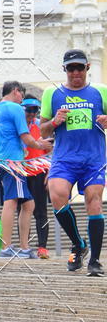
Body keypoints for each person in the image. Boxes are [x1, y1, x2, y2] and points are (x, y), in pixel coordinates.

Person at [40, 49, 107, 276]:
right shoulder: (52, 93)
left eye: (80, 67)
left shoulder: (100, 91)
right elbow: (42, 129)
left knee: (94, 201)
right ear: (64, 70)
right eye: (71, 68)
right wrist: (55, 121)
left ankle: (95, 261)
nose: (75, 72)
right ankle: (78, 244)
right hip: (65, 158)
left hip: (93, 158)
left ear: (87, 67)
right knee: (56, 194)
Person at [0, 80, 51, 258]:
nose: (22, 101)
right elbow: (26, 137)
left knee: (29, 204)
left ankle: (24, 247)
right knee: (11, 201)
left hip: (0, 163)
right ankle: (6, 247)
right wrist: (41, 144)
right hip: (13, 162)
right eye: (21, 95)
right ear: (16, 91)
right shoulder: (15, 109)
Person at [20, 96, 51, 259]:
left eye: (35, 110)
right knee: (22, 211)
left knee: (41, 211)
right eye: (29, 110)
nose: (32, 113)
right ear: (22, 109)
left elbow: (51, 149)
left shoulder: (39, 125)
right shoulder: (17, 125)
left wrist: (50, 173)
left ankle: (42, 248)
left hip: (39, 172)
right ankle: (24, 247)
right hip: (21, 173)